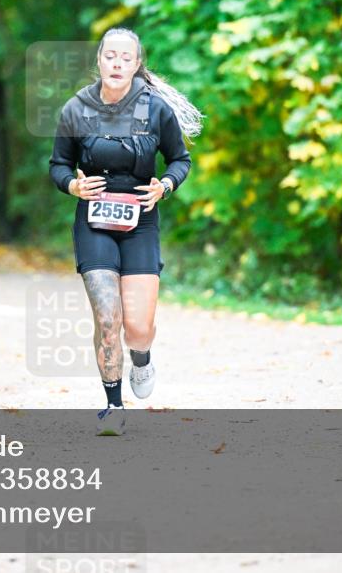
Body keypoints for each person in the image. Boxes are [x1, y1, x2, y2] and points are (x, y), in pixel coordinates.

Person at [48, 28, 202, 435]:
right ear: (99, 60)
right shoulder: (76, 109)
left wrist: (165, 185)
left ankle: (142, 357)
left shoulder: (155, 109)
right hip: (94, 221)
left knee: (137, 329)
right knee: (107, 318)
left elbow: (180, 160)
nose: (116, 64)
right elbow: (58, 165)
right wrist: (73, 186)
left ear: (137, 64)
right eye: (110, 56)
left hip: (140, 222)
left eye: (125, 58)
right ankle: (113, 406)